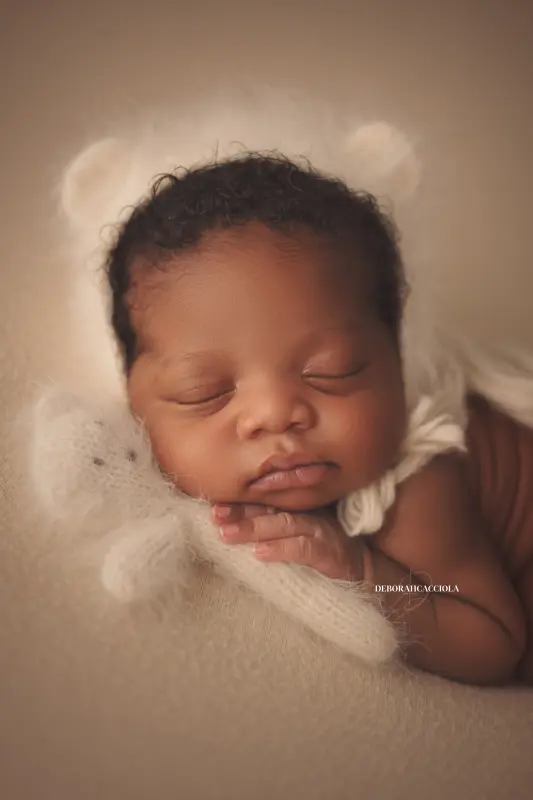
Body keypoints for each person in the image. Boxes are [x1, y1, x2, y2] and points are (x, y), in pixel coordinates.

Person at [105, 152, 532, 686]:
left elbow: (491, 639)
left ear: (398, 362)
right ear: (134, 409)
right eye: (205, 393)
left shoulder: (417, 485)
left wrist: (367, 571)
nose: (274, 415)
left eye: (332, 372)